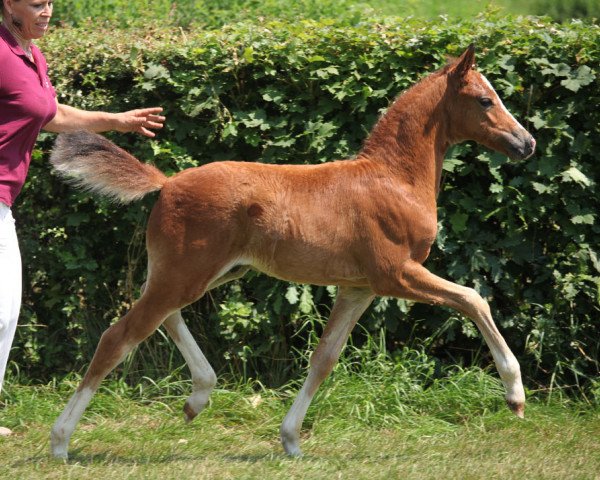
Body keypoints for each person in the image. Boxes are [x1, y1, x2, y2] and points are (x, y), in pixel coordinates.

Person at [0, 0, 166, 434]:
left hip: (3, 200)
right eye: (36, 3)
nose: (47, 10)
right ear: (7, 3)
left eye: (51, 2)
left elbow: (52, 114)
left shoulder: (30, 55)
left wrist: (117, 120)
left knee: (4, 313)